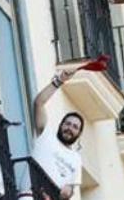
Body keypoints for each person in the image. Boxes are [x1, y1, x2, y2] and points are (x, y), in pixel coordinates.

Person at [31, 69, 84, 200]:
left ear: (79, 133)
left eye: (75, 127)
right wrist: (59, 81)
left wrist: (68, 191)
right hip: (30, 194)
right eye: (68, 123)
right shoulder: (46, 134)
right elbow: (39, 102)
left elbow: (70, 191)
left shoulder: (76, 159)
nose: (70, 128)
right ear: (61, 125)